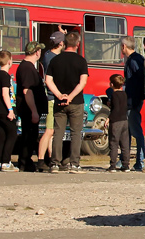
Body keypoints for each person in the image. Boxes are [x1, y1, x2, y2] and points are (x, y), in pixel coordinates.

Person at [45, 31, 89, 173]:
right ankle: (74, 164)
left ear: (64, 43)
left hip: (59, 101)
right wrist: (70, 97)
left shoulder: (55, 60)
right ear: (78, 44)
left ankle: (55, 164)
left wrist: (59, 95)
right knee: (76, 133)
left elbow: (48, 80)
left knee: (58, 132)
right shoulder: (81, 61)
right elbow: (83, 82)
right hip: (76, 102)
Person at [15, 42, 46, 172]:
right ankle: (25, 161)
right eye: (39, 51)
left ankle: (25, 161)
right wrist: (34, 111)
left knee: (30, 135)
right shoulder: (27, 68)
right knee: (29, 136)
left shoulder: (27, 67)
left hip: (30, 109)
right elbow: (27, 91)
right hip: (28, 109)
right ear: (36, 52)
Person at [36, 31, 64, 170]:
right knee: (49, 130)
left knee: (52, 132)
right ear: (61, 44)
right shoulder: (54, 59)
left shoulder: (47, 55)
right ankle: (41, 160)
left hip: (51, 97)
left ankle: (52, 159)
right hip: (53, 98)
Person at [120, 38, 145, 171]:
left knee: (135, 130)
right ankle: (126, 159)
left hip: (132, 100)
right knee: (130, 130)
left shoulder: (133, 61)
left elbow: (136, 81)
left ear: (124, 46)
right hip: (135, 99)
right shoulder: (139, 59)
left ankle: (139, 161)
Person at [0, 50, 18, 172]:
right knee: (12, 133)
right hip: (5, 109)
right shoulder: (5, 76)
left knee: (1, 135)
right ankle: (6, 161)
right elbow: (5, 94)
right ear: (9, 61)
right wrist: (10, 110)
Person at [106, 73, 129, 171]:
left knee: (113, 143)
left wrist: (109, 118)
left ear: (111, 84)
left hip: (116, 121)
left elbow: (116, 109)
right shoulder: (124, 94)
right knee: (125, 144)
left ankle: (113, 165)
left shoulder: (114, 95)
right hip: (125, 120)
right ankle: (126, 165)